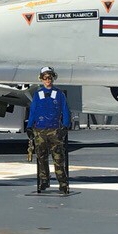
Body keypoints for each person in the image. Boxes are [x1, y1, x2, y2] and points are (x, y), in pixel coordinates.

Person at [27, 66, 71, 195]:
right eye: (45, 78)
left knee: (58, 158)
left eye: (50, 78)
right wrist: (29, 126)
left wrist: (65, 125)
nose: (48, 80)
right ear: (41, 79)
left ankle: (63, 183)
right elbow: (33, 111)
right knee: (41, 157)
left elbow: (65, 110)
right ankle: (44, 180)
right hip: (40, 130)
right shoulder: (37, 95)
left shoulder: (59, 94)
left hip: (55, 130)